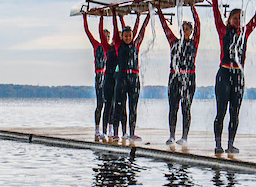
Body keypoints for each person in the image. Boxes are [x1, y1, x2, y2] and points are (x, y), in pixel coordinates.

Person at [205, 0, 256, 155]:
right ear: (229, 19)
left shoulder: (244, 33)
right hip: (224, 74)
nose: (238, 21)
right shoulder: (223, 31)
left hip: (238, 76)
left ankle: (231, 144)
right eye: (235, 18)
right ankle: (218, 144)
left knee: (235, 112)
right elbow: (216, 13)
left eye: (240, 18)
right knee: (221, 111)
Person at [157, 8, 200, 146]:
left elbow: (198, 24)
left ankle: (184, 137)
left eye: (187, 29)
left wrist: (192, 7)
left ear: (191, 31)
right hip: (174, 77)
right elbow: (165, 28)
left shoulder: (194, 43)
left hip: (189, 78)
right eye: (183, 29)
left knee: (186, 107)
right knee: (173, 107)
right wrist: (159, 11)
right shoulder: (174, 42)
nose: (185, 31)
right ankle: (171, 135)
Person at [113, 8, 149, 142]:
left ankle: (132, 132)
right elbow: (116, 27)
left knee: (133, 106)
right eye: (126, 36)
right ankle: (116, 132)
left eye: (130, 36)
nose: (128, 38)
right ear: (122, 36)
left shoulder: (136, 44)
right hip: (122, 78)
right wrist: (114, 14)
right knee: (119, 105)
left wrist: (147, 15)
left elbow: (142, 30)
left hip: (134, 78)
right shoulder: (118, 44)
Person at [82, 10, 114, 140]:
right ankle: (97, 128)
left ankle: (110, 129)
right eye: (104, 36)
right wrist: (85, 17)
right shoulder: (97, 45)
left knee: (110, 104)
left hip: (109, 76)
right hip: (100, 76)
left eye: (108, 37)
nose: (106, 39)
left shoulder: (112, 47)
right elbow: (87, 31)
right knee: (100, 103)